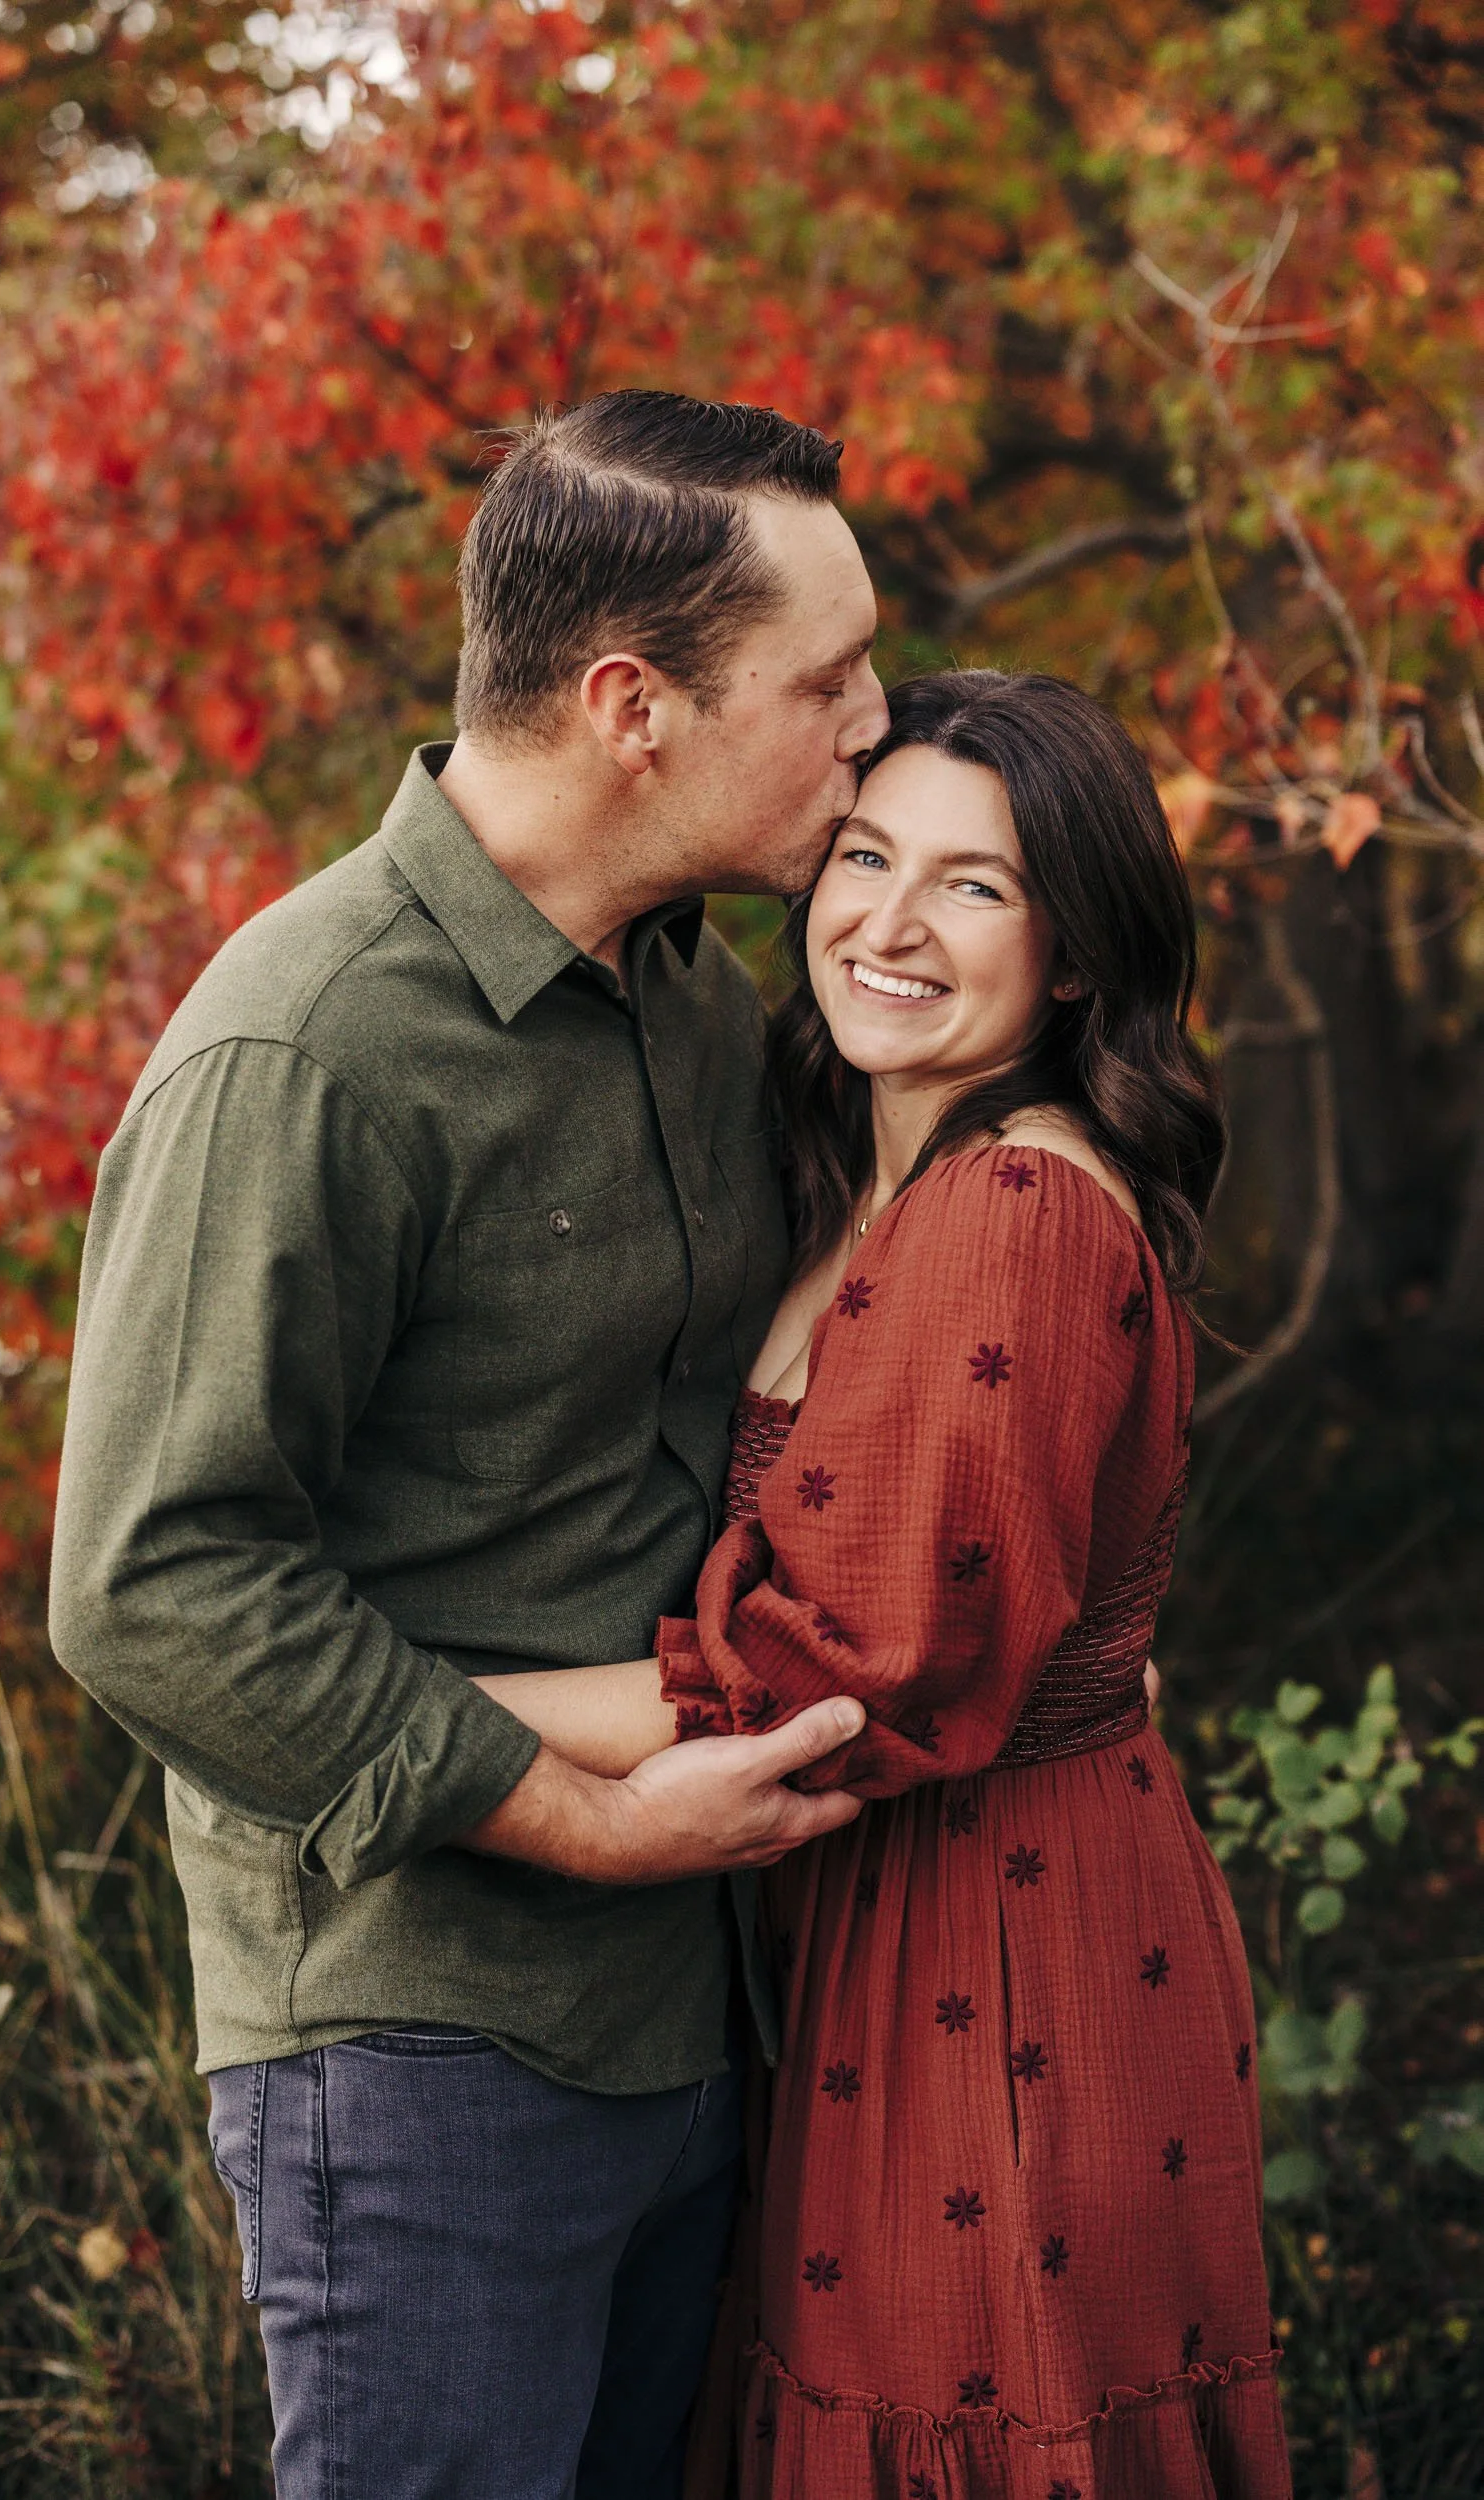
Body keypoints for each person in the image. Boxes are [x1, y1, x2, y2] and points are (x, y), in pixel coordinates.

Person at [47, 390, 889, 2500]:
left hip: (697, 2011)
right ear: (631, 703)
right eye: (827, 681)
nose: (873, 720)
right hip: (416, 2045)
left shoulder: (702, 1002)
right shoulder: (304, 1045)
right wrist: (599, 1824)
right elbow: (148, 1588)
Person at [488, 671, 1291, 2497]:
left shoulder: (1011, 1213)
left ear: (1074, 952)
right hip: (870, 1929)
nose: (890, 923)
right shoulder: (853, 1178)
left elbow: (821, 1679)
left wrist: (385, 1709)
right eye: (864, 855)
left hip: (1003, 1944)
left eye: (976, 886)